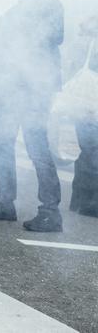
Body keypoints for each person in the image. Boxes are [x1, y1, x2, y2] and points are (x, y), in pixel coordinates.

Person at [0, 0, 64, 232]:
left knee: (36, 145)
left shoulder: (47, 2)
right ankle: (5, 202)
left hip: (34, 86)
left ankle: (50, 211)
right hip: (13, 86)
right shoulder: (19, 8)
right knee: (1, 140)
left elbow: (53, 37)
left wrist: (13, 29)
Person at [64, 15, 98, 217]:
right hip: (91, 105)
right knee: (93, 150)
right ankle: (91, 201)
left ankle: (79, 198)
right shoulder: (90, 43)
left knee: (89, 149)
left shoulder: (83, 40)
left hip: (82, 104)